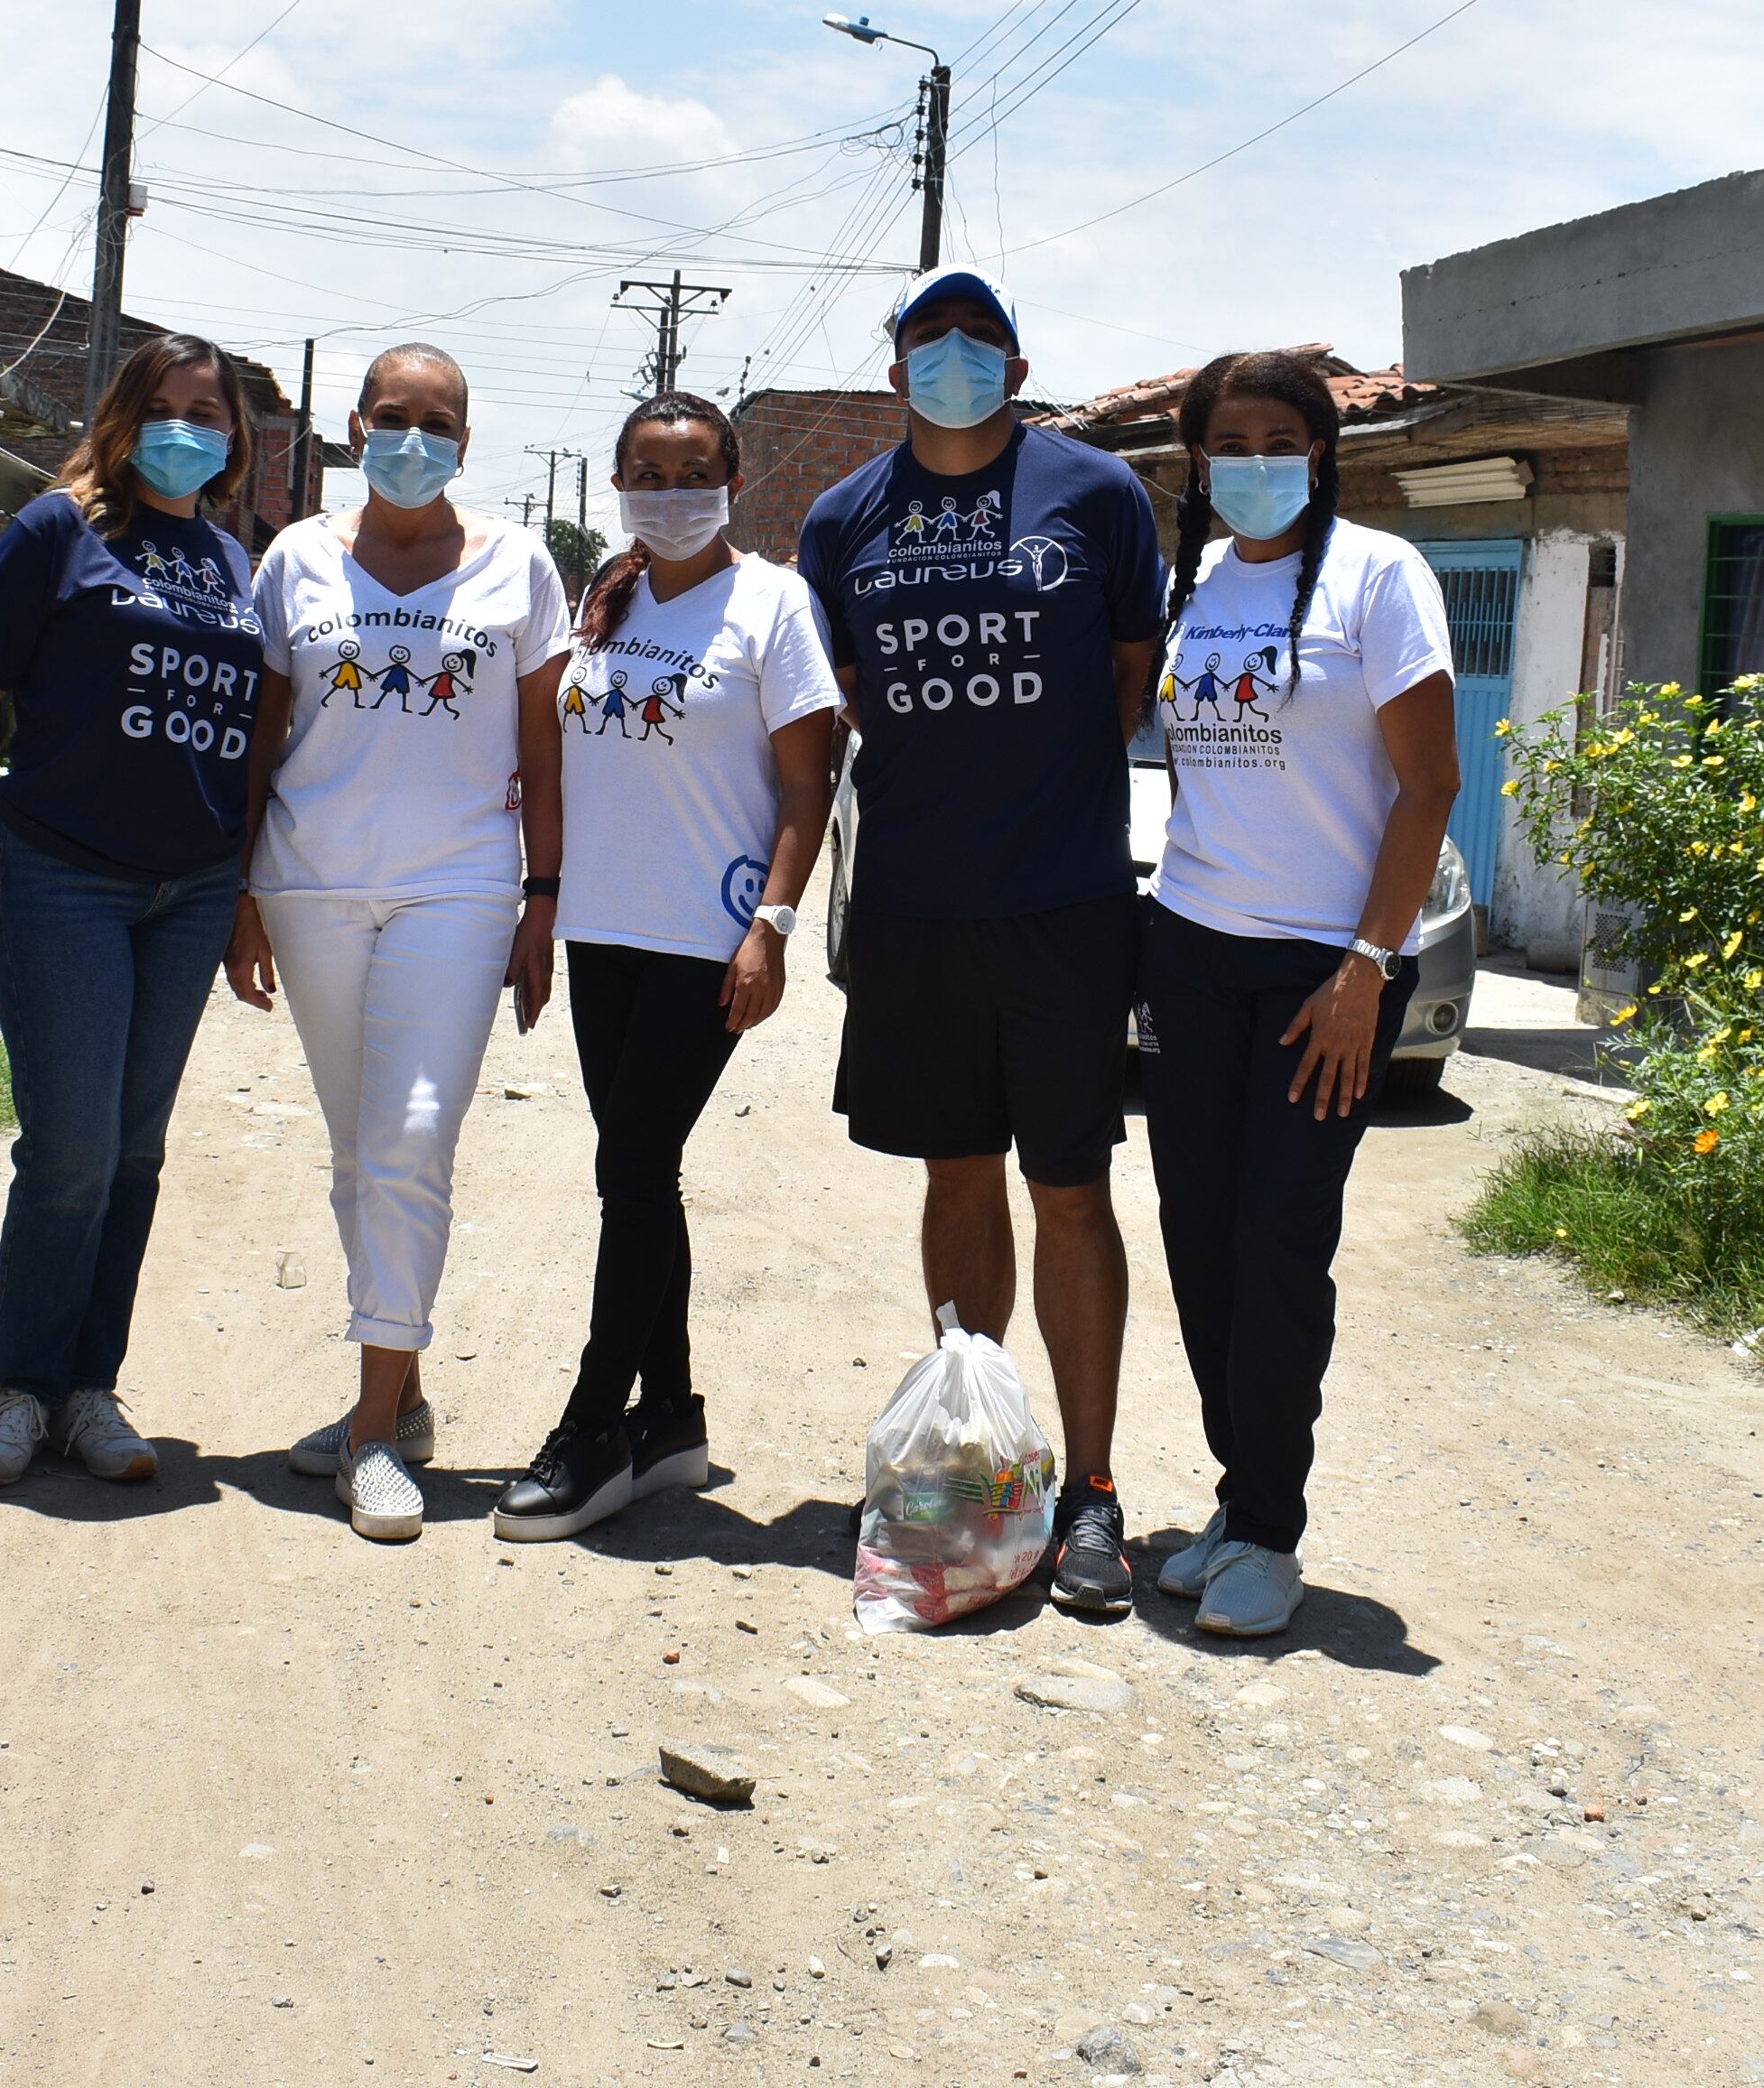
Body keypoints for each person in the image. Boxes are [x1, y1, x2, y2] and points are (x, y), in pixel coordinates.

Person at [799, 267, 1164, 1616]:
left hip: (1064, 900)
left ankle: (1092, 1494)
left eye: (980, 339)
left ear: (1016, 362)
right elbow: (845, 691)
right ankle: (975, 1465)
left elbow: (1129, 674)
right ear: (895, 366)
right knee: (959, 1175)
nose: (953, 356)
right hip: (914, 901)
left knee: (1071, 1188)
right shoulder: (844, 520)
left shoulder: (1097, 494)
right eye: (927, 339)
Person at [227, 344, 573, 1543]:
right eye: (393, 417)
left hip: (460, 893)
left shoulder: (519, 566)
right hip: (311, 883)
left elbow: (545, 743)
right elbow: (266, 730)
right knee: (356, 1149)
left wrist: (544, 898)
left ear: (467, 443)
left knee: (412, 1140)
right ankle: (403, 1393)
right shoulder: (296, 559)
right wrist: (240, 894)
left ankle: (372, 1439)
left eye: (439, 422)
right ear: (356, 426)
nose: (413, 438)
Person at [1140, 351, 1462, 1638]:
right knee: (1197, 1241)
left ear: (1321, 452)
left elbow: (1429, 786)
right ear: (1200, 459)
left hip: (1325, 971)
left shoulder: (1382, 578)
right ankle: (1239, 1491)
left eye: (1284, 438)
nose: (1258, 460)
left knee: (1279, 1244)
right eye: (1234, 441)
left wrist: (1367, 969)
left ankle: (1271, 1526)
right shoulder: (1195, 583)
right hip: (1191, 945)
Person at [491, 395, 842, 1544]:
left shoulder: (773, 604)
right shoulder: (611, 592)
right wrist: (541, 908)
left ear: (732, 481)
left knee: (633, 1168)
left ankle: (594, 1428)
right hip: (602, 928)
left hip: (708, 940)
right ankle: (673, 1418)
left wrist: (773, 926)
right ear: (617, 483)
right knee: (638, 1172)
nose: (669, 490)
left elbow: (807, 784)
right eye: (645, 471)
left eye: (693, 471)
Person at [0, 334, 269, 1489]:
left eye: (208, 412)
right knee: (69, 1148)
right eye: (166, 407)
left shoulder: (229, 557)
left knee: (132, 1152)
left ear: (232, 437)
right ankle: (19, 1390)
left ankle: (88, 1390)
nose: (188, 427)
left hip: (190, 890)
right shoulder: (56, 531)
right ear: (124, 417)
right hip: (61, 873)